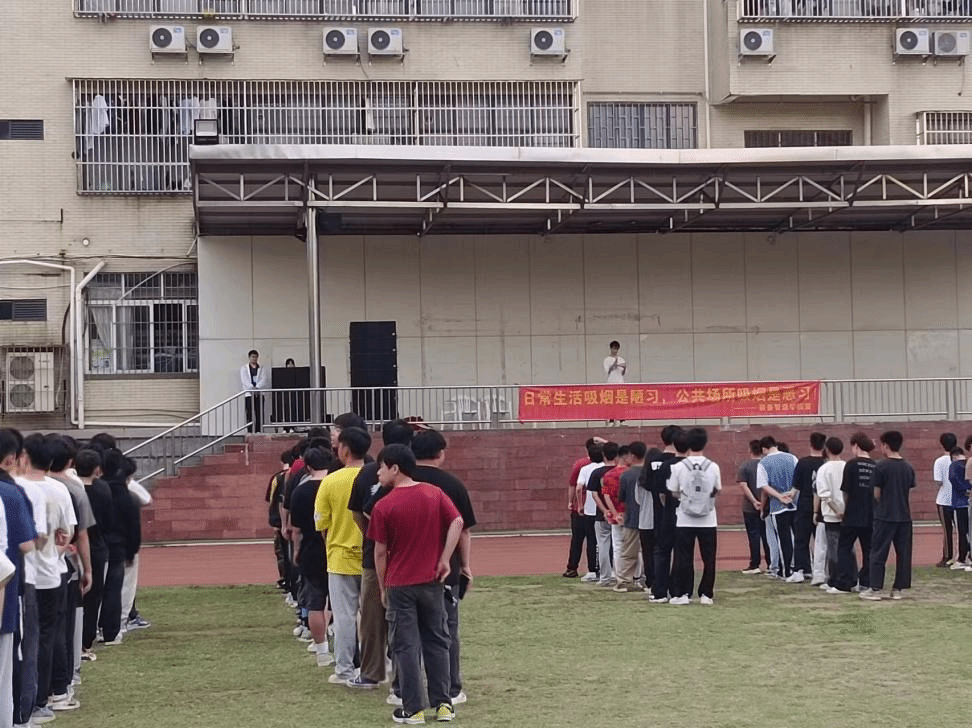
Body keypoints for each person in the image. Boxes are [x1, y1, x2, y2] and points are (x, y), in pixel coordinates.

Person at [368, 444, 463, 725]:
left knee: (406, 646)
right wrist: (445, 558)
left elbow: (380, 552)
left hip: (400, 584)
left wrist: (383, 587)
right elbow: (457, 522)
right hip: (432, 580)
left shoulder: (384, 505)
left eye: (382, 467)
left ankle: (413, 708)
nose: (378, 473)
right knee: (437, 641)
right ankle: (443, 704)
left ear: (395, 468)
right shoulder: (434, 493)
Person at [347, 419, 415, 690]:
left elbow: (356, 511)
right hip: (410, 557)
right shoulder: (414, 473)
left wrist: (373, 534)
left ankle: (371, 673)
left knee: (372, 618)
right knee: (407, 617)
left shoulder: (368, 471)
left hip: (374, 555)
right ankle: (404, 676)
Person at [411, 429, 476, 706]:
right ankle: (451, 688)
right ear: (440, 453)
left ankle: (403, 689)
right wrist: (466, 565)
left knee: (406, 632)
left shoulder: (402, 481)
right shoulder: (453, 484)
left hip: (405, 567)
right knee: (446, 628)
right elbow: (463, 530)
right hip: (444, 568)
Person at [16, 434, 76, 724]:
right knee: (48, 635)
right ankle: (47, 695)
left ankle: (31, 698)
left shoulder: (17, 487)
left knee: (27, 638)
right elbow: (68, 531)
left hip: (24, 573)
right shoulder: (58, 489)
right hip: (51, 570)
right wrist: (59, 546)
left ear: (24, 457)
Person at [314, 427, 369, 685]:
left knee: (344, 617)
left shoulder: (330, 481)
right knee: (374, 617)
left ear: (344, 450)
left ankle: (345, 668)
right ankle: (378, 666)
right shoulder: (375, 478)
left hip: (340, 557)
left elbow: (322, 524)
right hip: (372, 556)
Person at [0, 429, 38, 728]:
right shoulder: (11, 494)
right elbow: (26, 544)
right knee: (6, 667)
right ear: (11, 459)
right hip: (8, 589)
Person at [288, 446, 335, 668]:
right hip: (337, 549)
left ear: (307, 466)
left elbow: (296, 529)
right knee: (343, 602)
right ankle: (347, 648)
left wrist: (296, 550)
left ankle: (321, 650)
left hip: (311, 549)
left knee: (315, 602)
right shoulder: (336, 485)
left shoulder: (301, 491)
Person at [667, 427, 721, 605]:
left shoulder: (679, 467)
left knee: (684, 557)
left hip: (684, 518)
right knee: (709, 558)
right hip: (708, 518)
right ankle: (706, 594)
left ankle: (683, 594)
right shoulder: (713, 466)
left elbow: (673, 490)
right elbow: (717, 489)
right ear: (705, 443)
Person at [860, 431, 916, 601]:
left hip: (885, 515)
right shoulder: (908, 467)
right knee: (904, 554)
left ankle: (875, 588)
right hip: (904, 516)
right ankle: (899, 588)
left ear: (885, 445)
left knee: (878, 552)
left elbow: (876, 493)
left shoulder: (881, 466)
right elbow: (908, 489)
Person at [829, 433, 876, 595]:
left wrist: (845, 508)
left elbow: (846, 492)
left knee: (844, 547)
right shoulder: (875, 465)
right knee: (869, 550)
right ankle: (866, 582)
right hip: (871, 514)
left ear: (856, 446)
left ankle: (845, 583)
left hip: (852, 514)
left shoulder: (851, 464)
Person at [643, 426, 685, 604]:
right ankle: (678, 591)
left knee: (661, 551)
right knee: (681, 552)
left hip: (660, 513)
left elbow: (647, 484)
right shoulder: (684, 463)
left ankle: (659, 590)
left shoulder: (654, 460)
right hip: (683, 514)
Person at [757, 436, 798, 581]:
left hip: (777, 506)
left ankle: (785, 571)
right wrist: (792, 493)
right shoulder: (792, 458)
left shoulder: (763, 463)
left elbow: (764, 486)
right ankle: (800, 568)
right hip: (794, 502)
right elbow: (798, 479)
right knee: (798, 538)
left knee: (783, 539)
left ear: (764, 449)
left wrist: (779, 497)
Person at [564, 437, 603, 579]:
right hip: (598, 508)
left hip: (581, 507)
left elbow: (573, 485)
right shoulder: (605, 466)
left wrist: (572, 502)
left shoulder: (581, 465)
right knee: (595, 540)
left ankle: (572, 568)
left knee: (577, 539)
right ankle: (596, 569)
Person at [791, 432, 827, 584]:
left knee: (801, 539)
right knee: (821, 542)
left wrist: (787, 497)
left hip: (805, 504)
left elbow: (795, 488)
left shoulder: (802, 463)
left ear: (810, 444)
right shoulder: (825, 463)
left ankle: (800, 570)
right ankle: (820, 571)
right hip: (823, 506)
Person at [615, 441, 648, 592]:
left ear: (632, 456)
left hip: (632, 518)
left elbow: (621, 498)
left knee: (628, 553)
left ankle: (624, 582)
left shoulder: (626, 475)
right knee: (650, 551)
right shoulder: (650, 473)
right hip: (650, 519)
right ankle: (650, 580)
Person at [813, 437, 845, 592]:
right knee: (847, 548)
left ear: (827, 449)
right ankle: (850, 578)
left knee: (833, 549)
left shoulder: (824, 469)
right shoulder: (846, 466)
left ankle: (835, 580)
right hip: (847, 513)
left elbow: (824, 494)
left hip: (831, 515)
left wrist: (835, 510)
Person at [586, 441, 619, 587]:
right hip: (620, 513)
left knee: (603, 545)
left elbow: (594, 494)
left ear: (603, 455)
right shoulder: (621, 471)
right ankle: (620, 575)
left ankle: (605, 577)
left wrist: (605, 510)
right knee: (619, 546)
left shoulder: (597, 473)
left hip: (602, 515)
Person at [738, 439, 769, 575]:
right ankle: (771, 563)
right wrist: (762, 502)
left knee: (753, 535)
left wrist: (754, 501)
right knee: (767, 535)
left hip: (749, 507)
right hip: (766, 505)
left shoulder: (745, 466)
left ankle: (755, 564)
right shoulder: (766, 464)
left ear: (750, 450)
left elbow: (744, 485)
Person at [575, 442, 605, 583]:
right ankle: (607, 570)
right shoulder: (606, 469)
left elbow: (578, 488)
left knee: (591, 541)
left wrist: (580, 505)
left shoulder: (585, 469)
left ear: (590, 456)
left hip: (590, 509)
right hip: (604, 508)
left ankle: (593, 570)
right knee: (606, 541)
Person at [933, 432, 958, 567]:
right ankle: (964, 556)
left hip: (944, 500)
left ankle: (947, 557)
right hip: (959, 500)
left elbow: (938, 481)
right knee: (963, 530)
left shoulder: (939, 461)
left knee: (947, 531)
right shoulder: (960, 460)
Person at [946, 447, 971, 570]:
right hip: (969, 502)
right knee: (970, 531)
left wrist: (964, 490)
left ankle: (962, 558)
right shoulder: (969, 463)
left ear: (953, 456)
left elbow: (952, 478)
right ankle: (968, 557)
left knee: (962, 532)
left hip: (960, 502)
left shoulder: (954, 465)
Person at [240, 349, 269, 434]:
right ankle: (249, 430)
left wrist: (257, 387)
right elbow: (244, 380)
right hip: (249, 394)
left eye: (256, 357)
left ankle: (258, 430)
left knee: (259, 412)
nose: (254, 359)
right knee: (249, 412)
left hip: (259, 393)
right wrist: (251, 388)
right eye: (252, 357)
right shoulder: (244, 368)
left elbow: (264, 379)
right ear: (249, 357)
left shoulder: (261, 368)